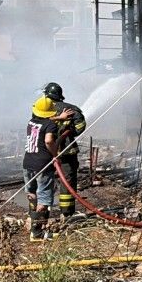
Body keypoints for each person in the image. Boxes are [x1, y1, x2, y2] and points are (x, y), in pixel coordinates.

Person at [43, 82, 86, 218]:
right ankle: (66, 214)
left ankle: (41, 213)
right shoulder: (71, 109)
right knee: (67, 181)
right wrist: (70, 131)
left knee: (44, 180)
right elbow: (81, 126)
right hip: (67, 151)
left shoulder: (42, 110)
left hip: (46, 150)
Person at [24, 97, 60, 241]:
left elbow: (44, 122)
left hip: (27, 163)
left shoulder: (31, 122)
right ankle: (37, 233)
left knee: (32, 194)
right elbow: (48, 140)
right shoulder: (50, 125)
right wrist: (55, 154)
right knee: (44, 200)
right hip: (43, 165)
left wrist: (58, 117)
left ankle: (32, 223)